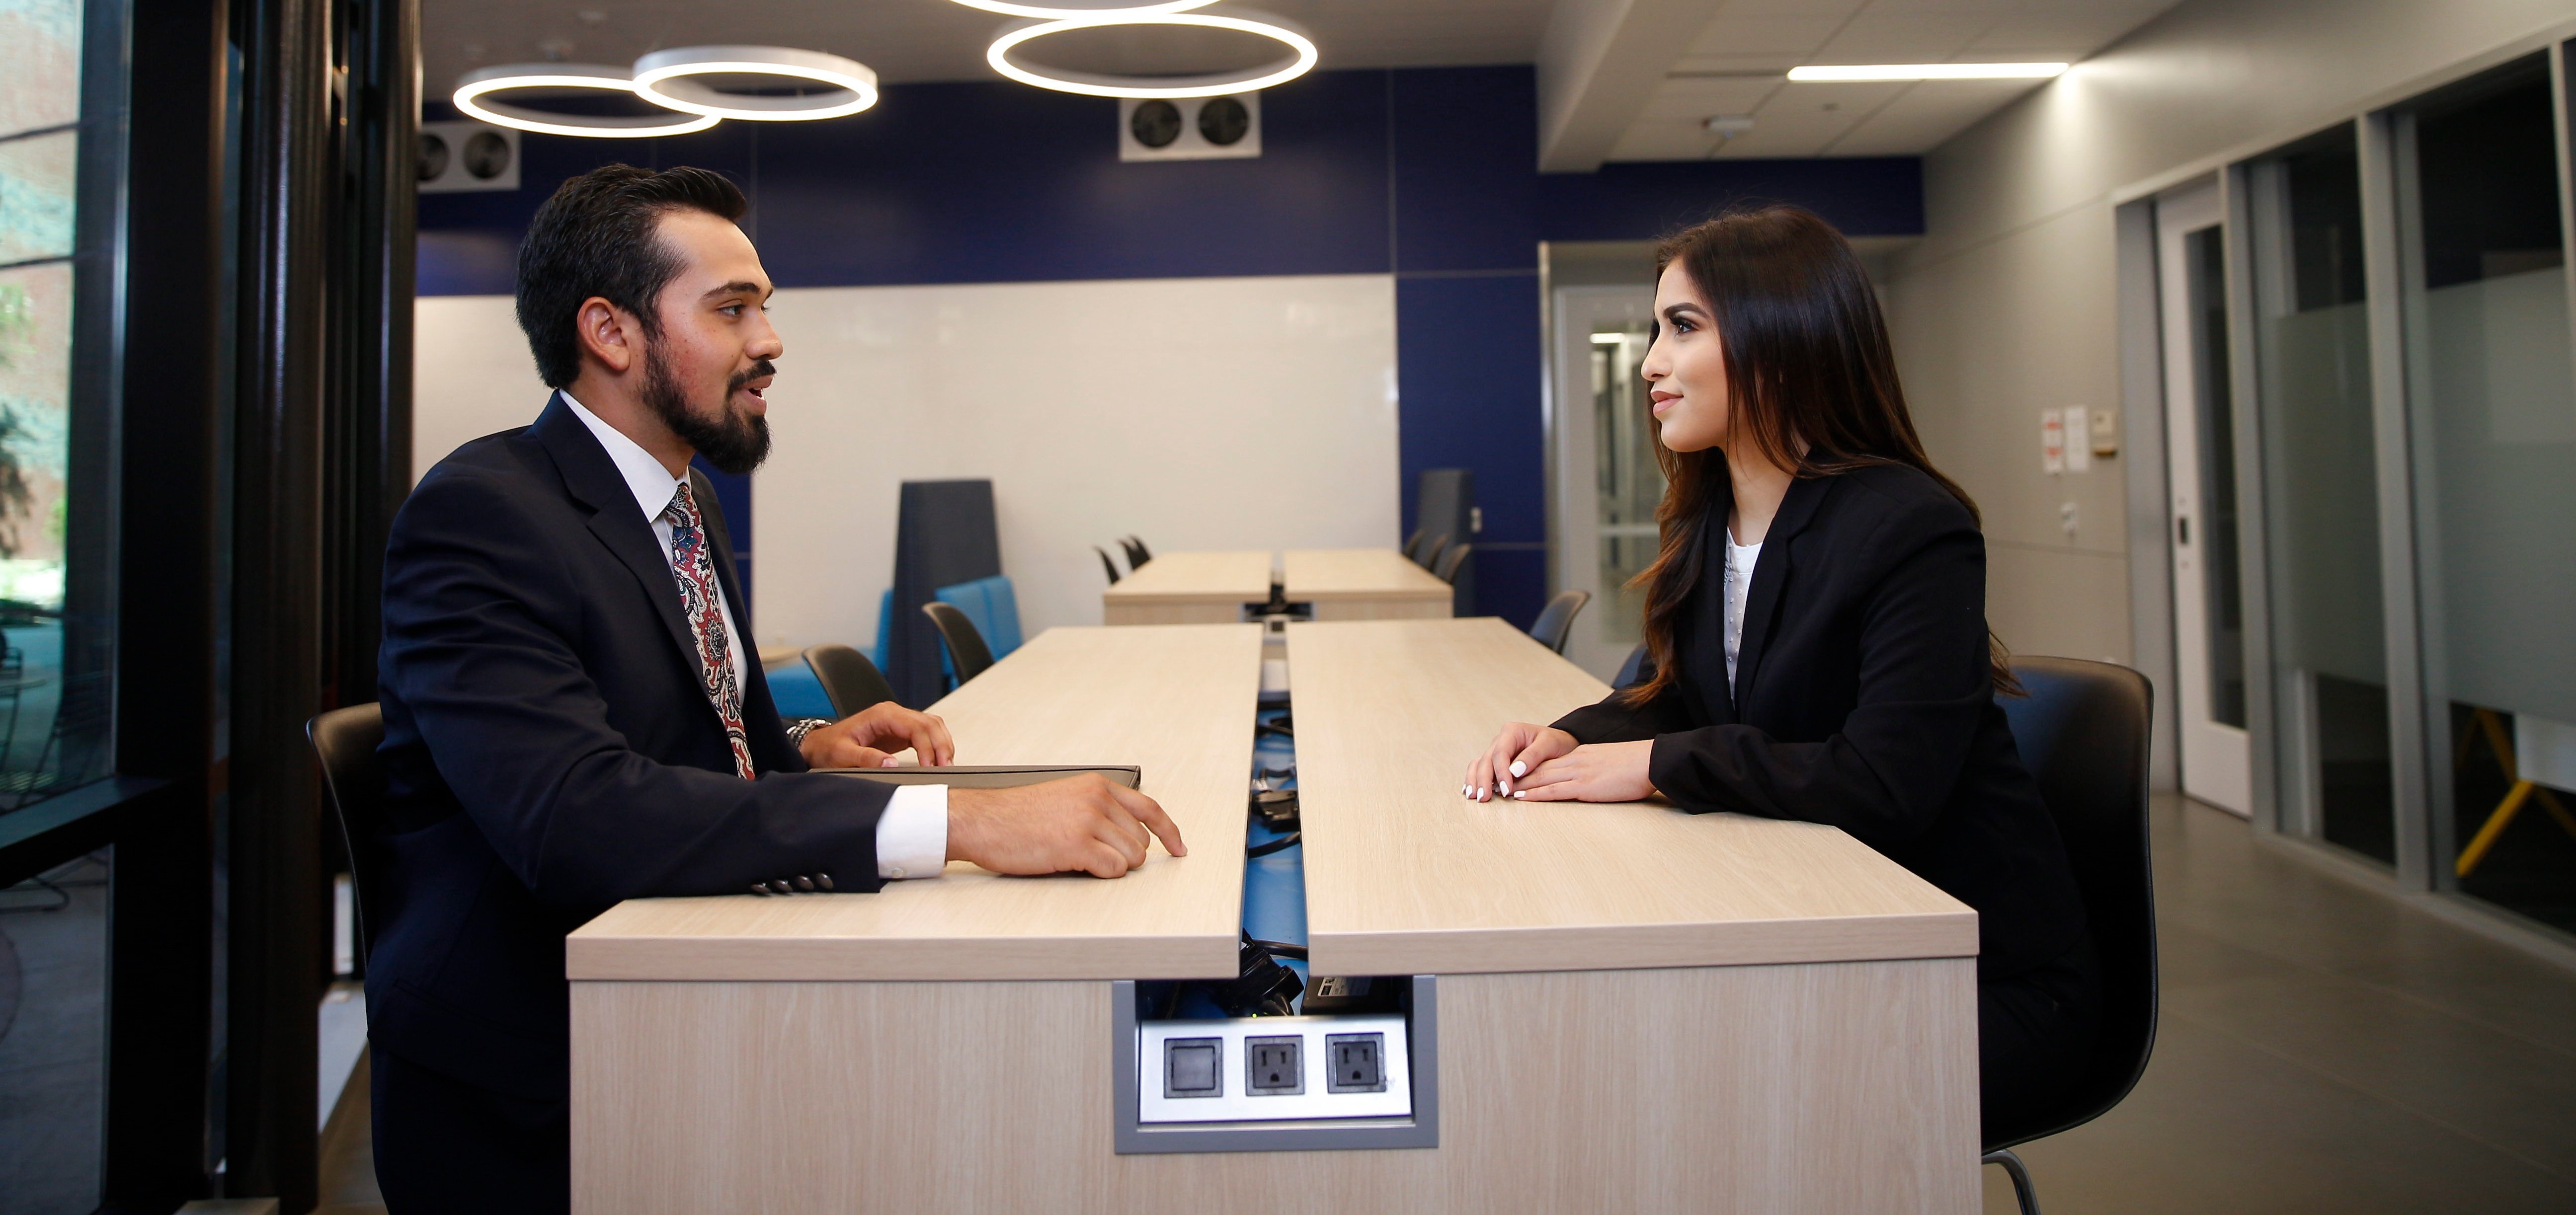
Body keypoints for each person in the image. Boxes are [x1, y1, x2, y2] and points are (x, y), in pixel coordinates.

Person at [370, 164, 1187, 1214]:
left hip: (689, 1001)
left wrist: (804, 743)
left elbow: (680, 736)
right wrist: (965, 821)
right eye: (732, 308)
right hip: (539, 1079)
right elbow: (578, 816)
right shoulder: (481, 516)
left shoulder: (684, 501)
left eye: (765, 306)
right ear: (612, 334)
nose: (772, 341)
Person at [1461, 205, 2096, 1142]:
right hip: (1822, 927)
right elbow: (1676, 690)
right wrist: (1571, 734)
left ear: (1783, 340)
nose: (1648, 365)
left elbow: (1885, 784)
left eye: (1681, 328)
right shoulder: (1710, 516)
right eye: (1653, 332)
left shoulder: (1911, 524)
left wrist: (1659, 765)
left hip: (1968, 973)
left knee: (1691, 1103)